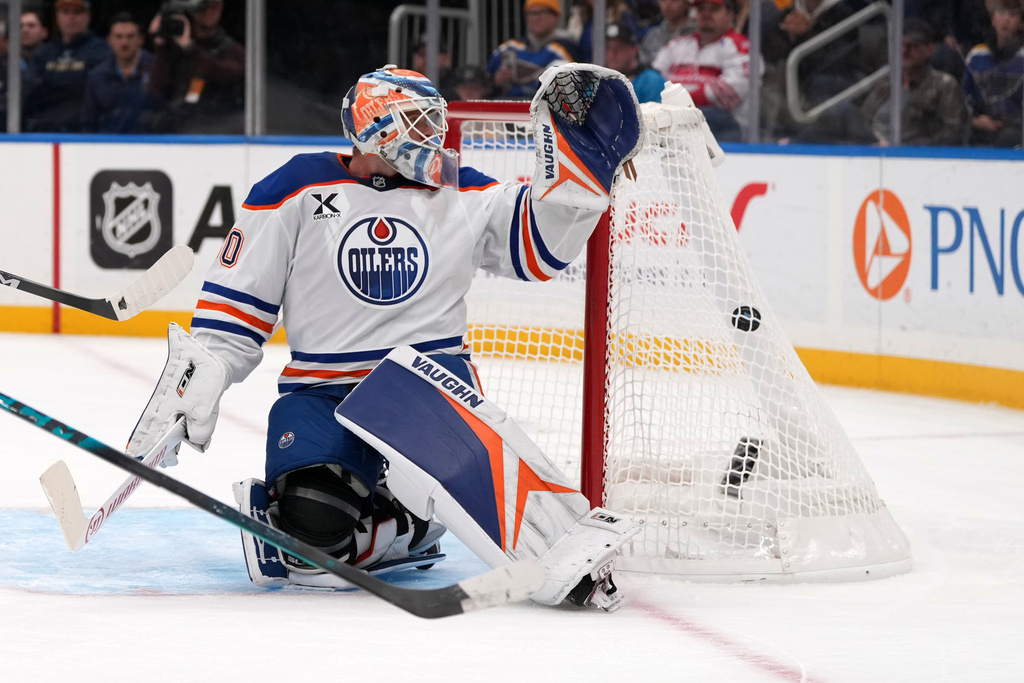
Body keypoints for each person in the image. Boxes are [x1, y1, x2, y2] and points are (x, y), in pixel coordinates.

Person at [126, 63, 644, 610]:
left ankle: (409, 517)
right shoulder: (292, 188)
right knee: (309, 539)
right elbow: (236, 312)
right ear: (375, 127)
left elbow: (538, 251)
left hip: (427, 396)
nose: (435, 137)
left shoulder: (458, 185)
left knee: (339, 531)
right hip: (324, 391)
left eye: (435, 123)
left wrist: (576, 181)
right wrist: (197, 381)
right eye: (419, 123)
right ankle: (400, 520)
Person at [652, 0, 750, 140]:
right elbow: (654, 78)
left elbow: (733, 88)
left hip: (722, 123)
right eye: (701, 9)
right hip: (673, 117)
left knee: (699, 117)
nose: (706, 14)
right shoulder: (677, 44)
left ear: (729, 14)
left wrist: (683, 100)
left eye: (714, 9)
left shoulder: (739, 45)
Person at [861, 19, 966, 146]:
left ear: (930, 50)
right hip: (872, 153)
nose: (904, 51)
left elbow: (953, 133)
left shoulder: (944, 84)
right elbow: (863, 120)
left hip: (915, 157)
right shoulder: (885, 82)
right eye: (900, 45)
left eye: (913, 46)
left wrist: (904, 149)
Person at [147, 0, 245, 134]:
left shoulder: (233, 50)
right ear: (192, 9)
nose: (209, 11)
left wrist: (190, 48)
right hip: (181, 124)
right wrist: (161, 45)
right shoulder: (175, 48)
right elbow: (155, 89)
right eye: (203, 6)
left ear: (221, 8)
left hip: (221, 122)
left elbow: (225, 73)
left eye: (215, 5)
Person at [22, 0, 112, 132]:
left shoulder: (100, 50)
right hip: (43, 131)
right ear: (57, 17)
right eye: (65, 12)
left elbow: (96, 91)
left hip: (84, 132)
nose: (71, 18)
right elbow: (29, 89)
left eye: (77, 12)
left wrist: (53, 84)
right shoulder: (44, 52)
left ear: (87, 16)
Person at [486, 0, 580, 100]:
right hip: (508, 106)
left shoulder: (567, 49)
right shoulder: (509, 47)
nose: (537, 18)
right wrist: (496, 80)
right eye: (532, 13)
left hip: (547, 109)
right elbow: (484, 82)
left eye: (542, 13)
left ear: (556, 16)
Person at [963, 0, 1024, 147]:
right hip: (979, 130)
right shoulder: (977, 55)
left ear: (1021, 23)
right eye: (1001, 13)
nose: (1006, 19)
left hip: (1016, 132)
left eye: (1013, 15)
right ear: (993, 20)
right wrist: (974, 121)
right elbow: (964, 99)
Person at [81, 13, 154, 133]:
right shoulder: (97, 76)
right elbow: (89, 121)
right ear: (109, 40)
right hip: (107, 146)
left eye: (130, 36)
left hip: (151, 146)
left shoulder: (156, 71)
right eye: (119, 37)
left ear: (140, 39)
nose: (124, 43)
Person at [605, 21, 666, 102]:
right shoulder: (599, 84)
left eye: (619, 47)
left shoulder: (651, 81)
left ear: (634, 49)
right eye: (608, 48)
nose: (612, 54)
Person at [567, 0, 644, 62]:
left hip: (613, 73)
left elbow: (633, 50)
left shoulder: (622, 15)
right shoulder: (577, 16)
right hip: (584, 73)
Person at [639, 0, 695, 65]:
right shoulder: (654, 35)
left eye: (674, 1)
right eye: (663, 0)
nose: (668, 4)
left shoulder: (697, 34)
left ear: (687, 4)